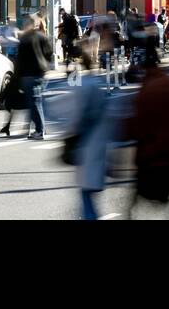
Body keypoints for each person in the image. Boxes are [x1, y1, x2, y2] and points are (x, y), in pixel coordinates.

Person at [124, 50, 169, 217]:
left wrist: (126, 130)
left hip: (150, 154)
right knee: (166, 200)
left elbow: (139, 123)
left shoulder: (147, 91)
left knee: (135, 203)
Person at [68, 45, 116, 220]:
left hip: (87, 144)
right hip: (99, 143)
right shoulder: (96, 85)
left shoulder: (84, 85)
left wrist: (71, 136)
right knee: (88, 193)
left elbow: (77, 115)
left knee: (86, 194)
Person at [2, 15, 53, 139]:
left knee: (34, 102)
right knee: (37, 101)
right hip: (41, 73)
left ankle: (40, 130)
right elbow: (49, 53)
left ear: (27, 24)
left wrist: (17, 78)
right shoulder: (42, 36)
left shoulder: (24, 39)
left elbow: (20, 60)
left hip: (28, 74)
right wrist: (46, 66)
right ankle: (41, 129)